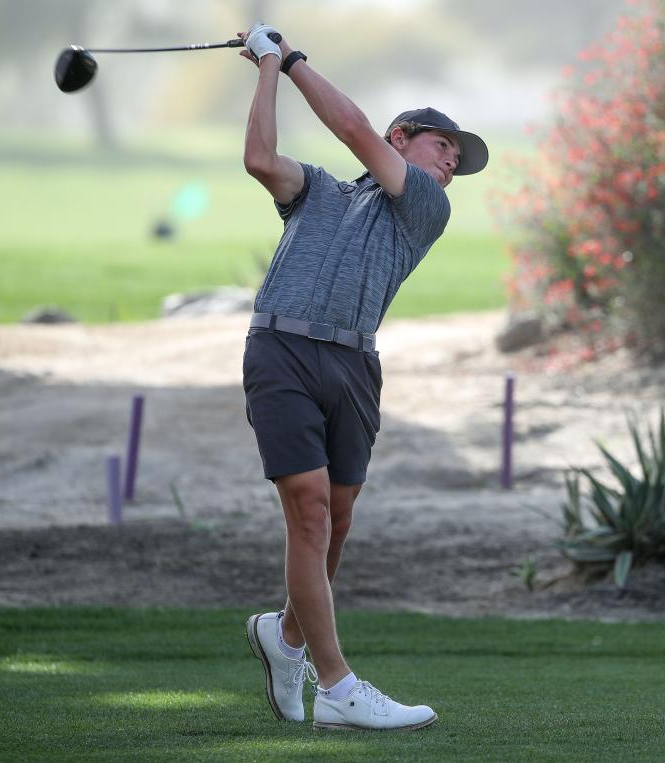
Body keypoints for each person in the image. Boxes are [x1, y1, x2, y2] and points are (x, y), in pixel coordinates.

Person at [237, 22, 488, 732]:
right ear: (403, 135)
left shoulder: (425, 207)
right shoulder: (315, 191)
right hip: (279, 348)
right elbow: (260, 157)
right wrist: (267, 66)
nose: (451, 166)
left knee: (337, 520)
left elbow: (349, 127)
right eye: (445, 149)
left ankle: (285, 636)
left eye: (457, 160)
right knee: (311, 509)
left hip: (353, 364)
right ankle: (338, 685)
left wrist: (287, 59)